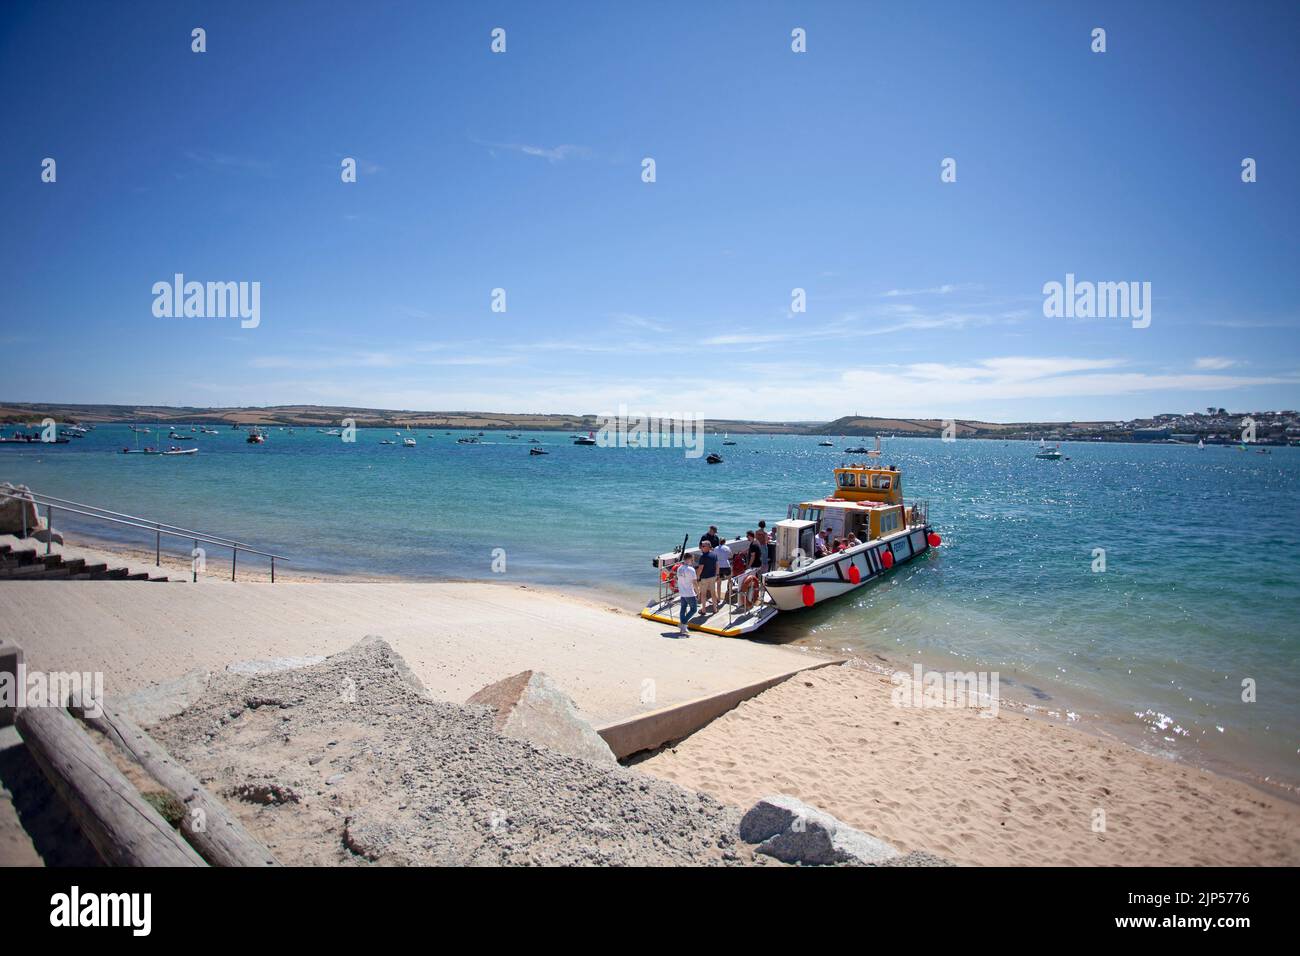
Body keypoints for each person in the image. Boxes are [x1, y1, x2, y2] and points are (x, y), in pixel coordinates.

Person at [695, 540, 721, 615]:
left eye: (703, 546)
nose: (701, 547)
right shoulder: (714, 555)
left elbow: (700, 568)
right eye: (701, 546)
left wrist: (697, 577)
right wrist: (717, 575)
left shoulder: (703, 557)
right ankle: (715, 609)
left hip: (704, 578)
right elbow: (717, 565)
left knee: (703, 594)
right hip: (712, 577)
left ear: (708, 547)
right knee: (713, 593)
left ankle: (703, 610)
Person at [675, 554, 698, 636]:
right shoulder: (691, 570)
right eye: (692, 560)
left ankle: (683, 627)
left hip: (682, 591)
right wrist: (698, 592)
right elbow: (694, 582)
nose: (693, 561)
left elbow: (679, 579)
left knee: (683, 608)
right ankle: (683, 624)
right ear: (689, 559)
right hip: (689, 593)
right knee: (694, 609)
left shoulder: (679, 568)